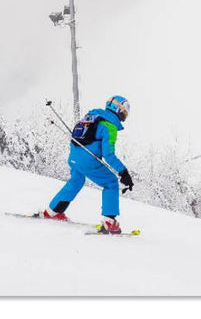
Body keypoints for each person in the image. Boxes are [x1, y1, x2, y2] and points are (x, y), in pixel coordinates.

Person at [43, 95, 134, 234]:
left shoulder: (90, 117)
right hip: (88, 160)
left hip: (74, 156)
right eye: (125, 111)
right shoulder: (110, 126)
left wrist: (80, 157)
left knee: (76, 181)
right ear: (118, 109)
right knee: (111, 183)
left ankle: (52, 212)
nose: (125, 115)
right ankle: (109, 221)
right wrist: (123, 172)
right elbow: (108, 155)